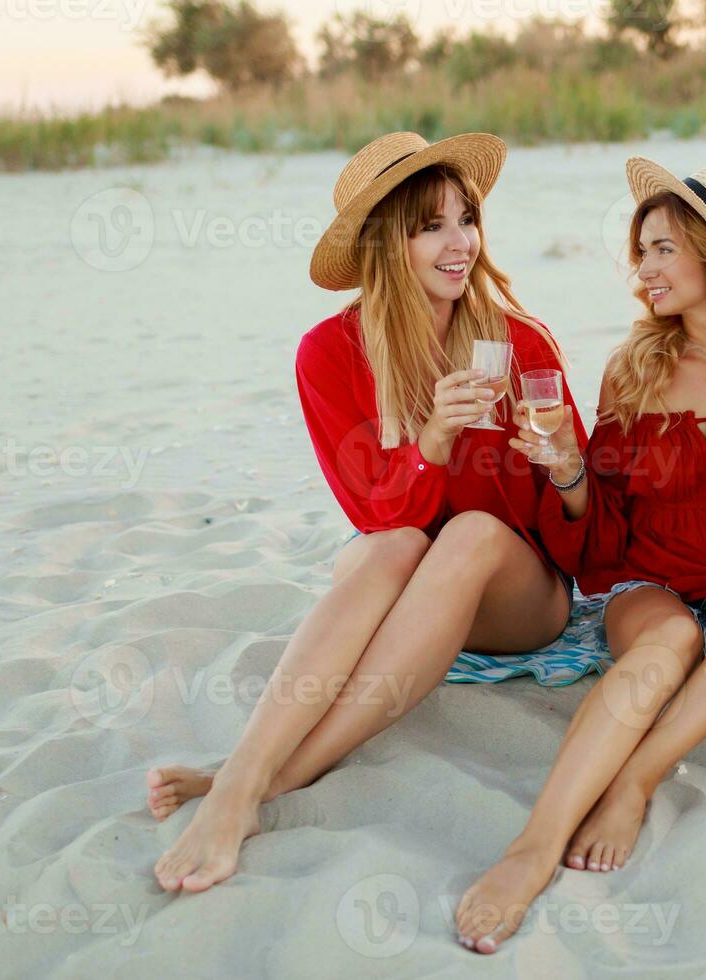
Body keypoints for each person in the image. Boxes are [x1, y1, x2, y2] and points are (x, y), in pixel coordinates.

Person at [148, 132, 588, 894]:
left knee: (473, 533)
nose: (460, 245)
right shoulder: (329, 351)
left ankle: (265, 785)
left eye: (467, 219)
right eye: (431, 227)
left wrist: (567, 469)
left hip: (520, 593)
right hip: (411, 569)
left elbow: (585, 531)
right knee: (387, 550)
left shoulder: (518, 341)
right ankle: (243, 775)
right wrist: (434, 441)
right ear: (390, 244)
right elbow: (374, 512)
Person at [454, 158, 706, 953]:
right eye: (640, 250)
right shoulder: (633, 370)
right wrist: (569, 470)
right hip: (660, 589)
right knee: (667, 641)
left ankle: (637, 781)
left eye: (663, 249)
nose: (643, 269)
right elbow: (605, 537)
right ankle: (533, 847)